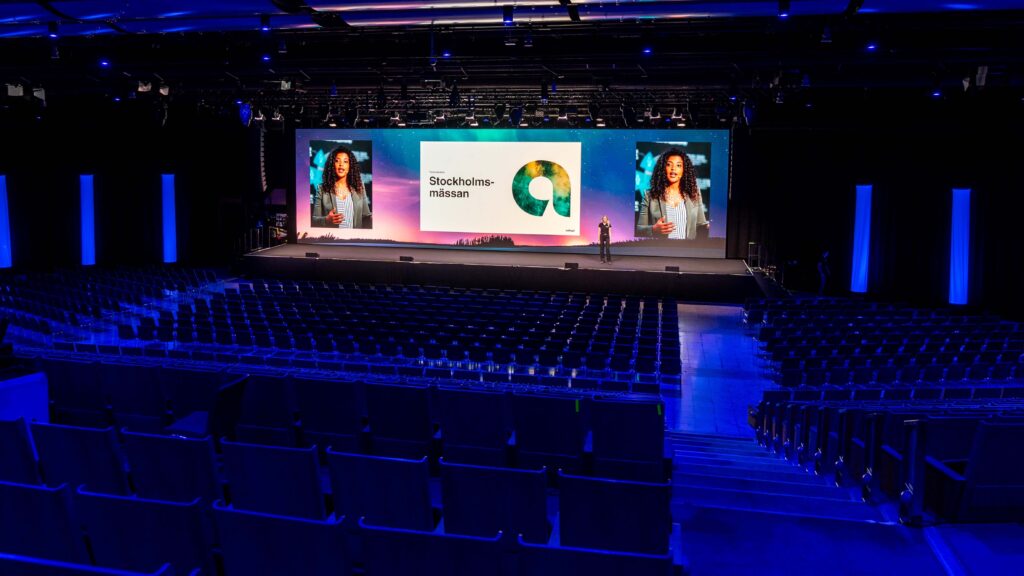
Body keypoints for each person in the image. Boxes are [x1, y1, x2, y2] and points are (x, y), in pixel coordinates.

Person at [635, 148, 709, 239]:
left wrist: (710, 227)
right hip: (661, 250)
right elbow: (639, 229)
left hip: (688, 251)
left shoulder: (694, 193)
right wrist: (653, 229)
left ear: (684, 171)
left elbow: (701, 224)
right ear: (663, 169)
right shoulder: (649, 195)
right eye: (669, 164)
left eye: (678, 165)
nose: (673, 168)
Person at [312, 145, 371, 229]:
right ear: (332, 165)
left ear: (350, 166)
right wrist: (327, 220)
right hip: (331, 239)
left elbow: (366, 216)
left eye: (345, 161)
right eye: (337, 161)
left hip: (355, 240)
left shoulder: (359, 187)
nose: (341, 165)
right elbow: (314, 220)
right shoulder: (322, 189)